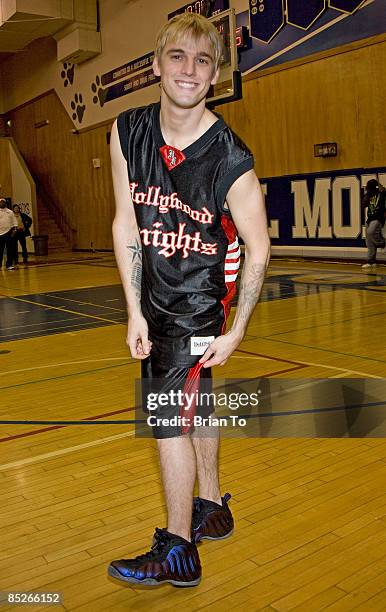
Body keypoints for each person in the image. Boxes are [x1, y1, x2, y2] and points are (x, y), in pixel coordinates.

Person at [108, 12, 270, 588]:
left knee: (166, 420)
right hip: (153, 302)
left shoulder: (230, 156)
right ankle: (211, 508)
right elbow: (126, 222)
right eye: (178, 56)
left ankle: (178, 549)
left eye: (203, 60)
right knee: (193, 407)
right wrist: (132, 307)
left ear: (215, 76)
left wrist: (238, 328)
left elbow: (260, 247)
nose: (189, 69)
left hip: (197, 304)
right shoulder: (127, 132)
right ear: (156, 65)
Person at [361, 179, 385, 269]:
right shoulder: (369, 194)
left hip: (378, 217)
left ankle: (382, 244)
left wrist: (381, 188)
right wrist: (367, 195)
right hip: (370, 218)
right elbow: (363, 204)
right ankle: (371, 261)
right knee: (369, 241)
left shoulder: (382, 193)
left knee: (371, 232)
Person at [0, 198, 18, 270]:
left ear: (5, 203)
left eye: (3, 202)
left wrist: (15, 230)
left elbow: (14, 222)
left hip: (9, 232)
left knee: (10, 250)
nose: (2, 203)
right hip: (0, 234)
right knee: (0, 250)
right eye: (0, 202)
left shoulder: (10, 212)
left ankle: (9, 265)